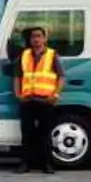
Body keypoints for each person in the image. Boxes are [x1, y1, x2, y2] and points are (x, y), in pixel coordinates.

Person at [14, 26, 64, 173]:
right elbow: (17, 76)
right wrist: (17, 94)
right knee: (26, 133)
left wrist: (56, 95)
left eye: (39, 36)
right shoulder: (24, 55)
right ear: (30, 40)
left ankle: (48, 164)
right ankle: (25, 164)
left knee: (45, 134)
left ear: (44, 39)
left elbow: (61, 76)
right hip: (28, 100)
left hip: (45, 100)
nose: (36, 39)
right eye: (33, 37)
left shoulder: (52, 55)